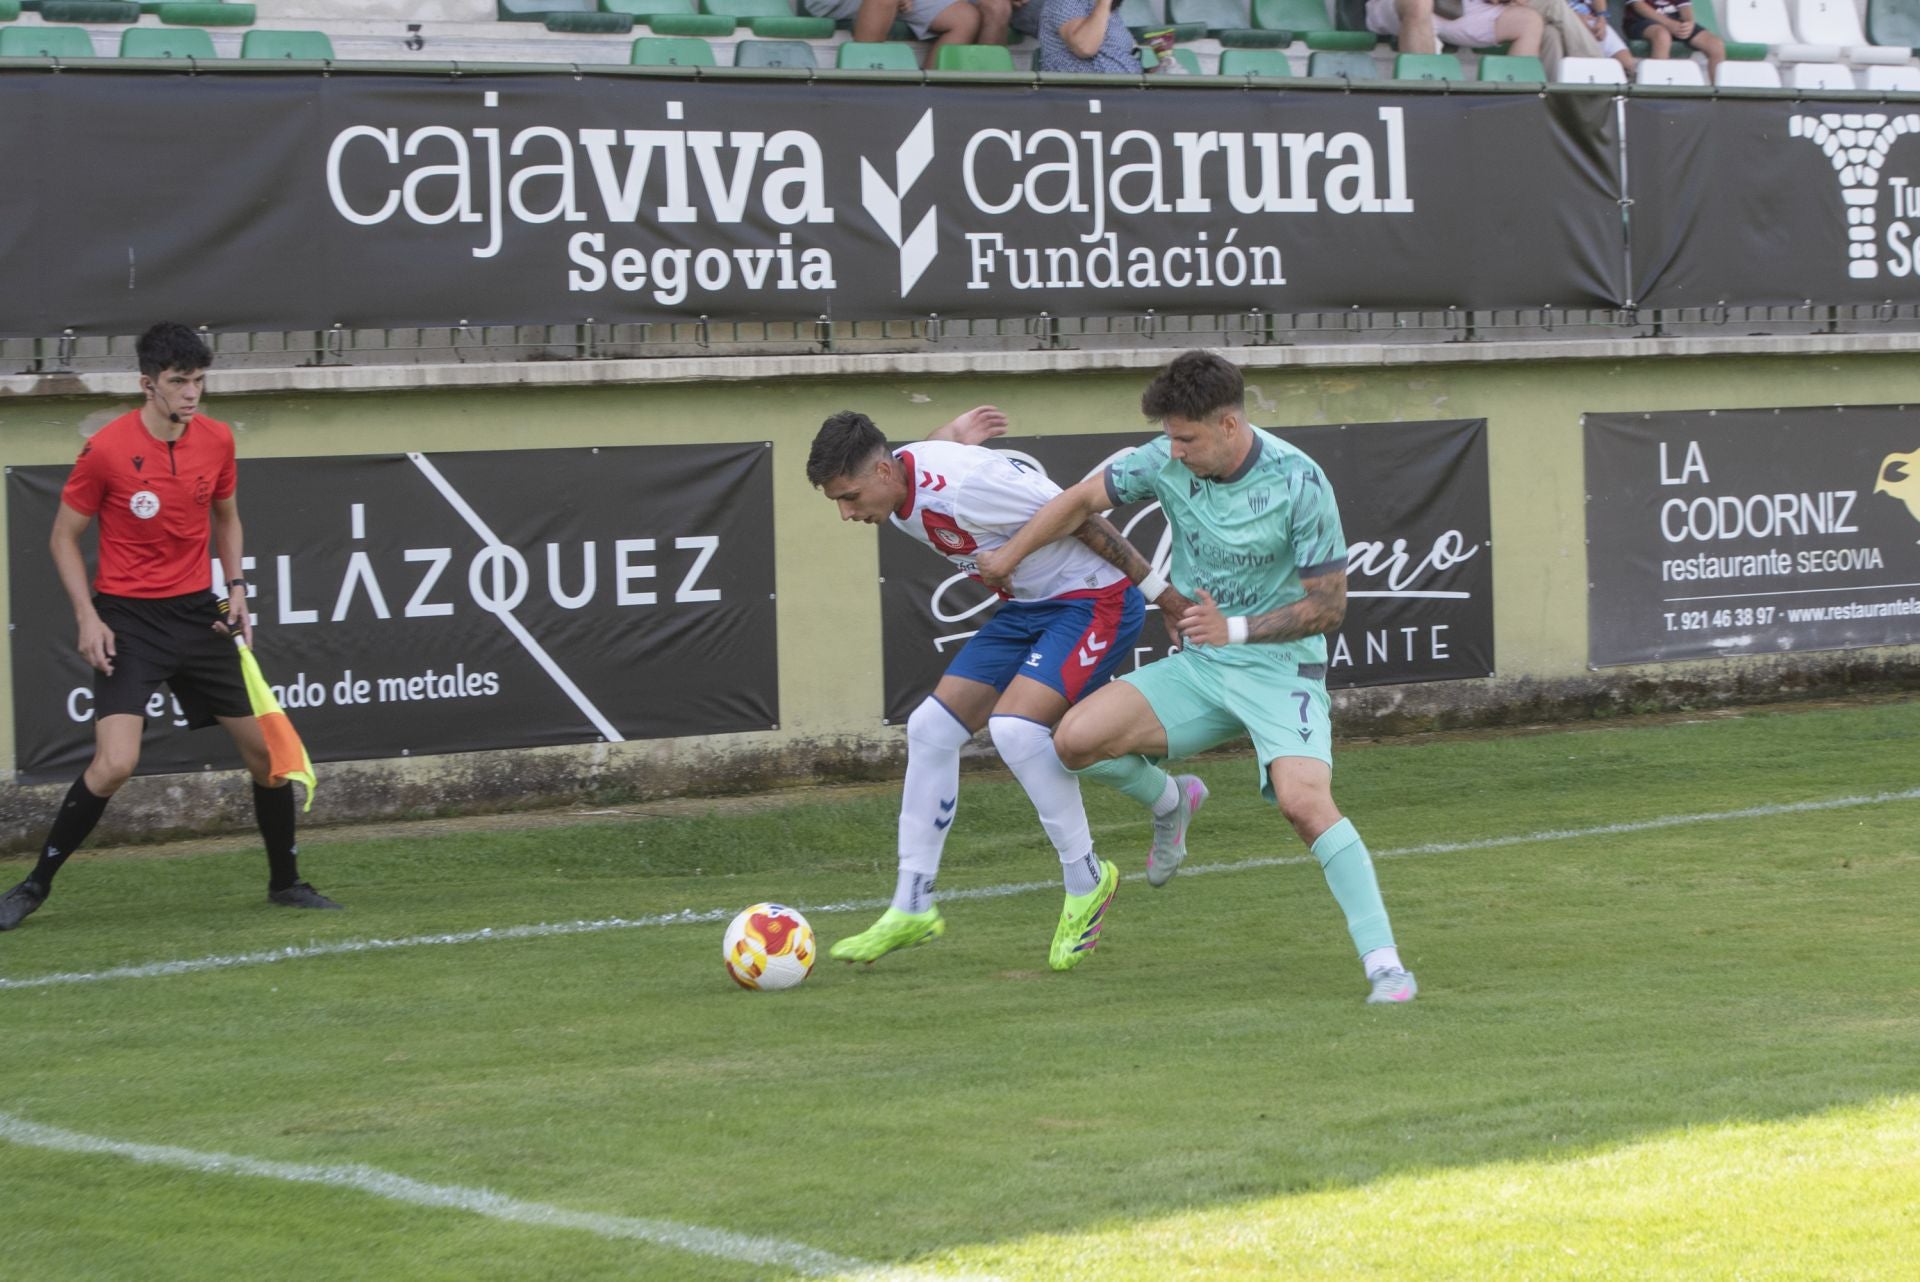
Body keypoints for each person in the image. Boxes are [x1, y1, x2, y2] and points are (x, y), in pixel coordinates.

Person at [975, 351, 1417, 1005]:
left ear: (1230, 426)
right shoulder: (1164, 460)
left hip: (1278, 667)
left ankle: (1386, 965)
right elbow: (1077, 501)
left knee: (1304, 803)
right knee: (1073, 740)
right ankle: (1173, 801)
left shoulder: (1300, 482)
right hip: (1203, 665)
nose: (1174, 451)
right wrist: (1010, 557)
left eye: (1187, 438)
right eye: (1170, 437)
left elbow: (1330, 607)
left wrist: (1233, 628)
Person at [807, 406, 1194, 971]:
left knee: (1016, 729)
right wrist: (961, 431)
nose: (846, 513)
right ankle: (912, 905)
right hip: (1030, 607)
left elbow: (1086, 516)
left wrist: (1165, 597)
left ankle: (1086, 879)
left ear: (883, 473)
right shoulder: (902, 478)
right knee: (930, 729)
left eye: (848, 497)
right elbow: (934, 446)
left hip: (1096, 599)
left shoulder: (969, 490)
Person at [0, 322, 340, 933]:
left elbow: (228, 520)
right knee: (115, 764)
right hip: (129, 620)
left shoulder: (217, 440)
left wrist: (236, 591)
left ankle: (286, 883)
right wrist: (87, 616)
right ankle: (31, 887)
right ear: (147, 385)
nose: (191, 394)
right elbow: (62, 537)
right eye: (179, 382)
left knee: (267, 756)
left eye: (199, 381)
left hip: (200, 616)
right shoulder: (106, 449)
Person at [1037, 0, 1143, 73]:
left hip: (1123, 94)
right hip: (1082, 95)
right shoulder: (1064, 2)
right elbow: (1085, 47)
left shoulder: (1107, 9)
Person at [1624, 0, 1725, 73]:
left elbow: (1685, 6)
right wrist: (1668, 23)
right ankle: (1656, 87)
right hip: (1640, 21)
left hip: (1675, 21)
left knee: (1715, 45)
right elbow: (1638, 6)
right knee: (1662, 36)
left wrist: (1689, 23)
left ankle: (1718, 94)